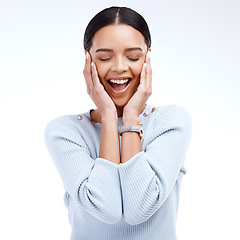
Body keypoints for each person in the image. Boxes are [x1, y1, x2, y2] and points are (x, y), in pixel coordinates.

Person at [44, 6, 192, 240]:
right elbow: (107, 208)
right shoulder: (65, 132)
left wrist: (130, 116)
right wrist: (109, 117)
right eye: (104, 58)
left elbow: (139, 209)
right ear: (88, 60)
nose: (120, 67)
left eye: (133, 56)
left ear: (148, 58)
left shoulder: (170, 122)